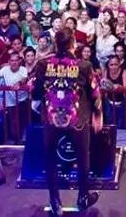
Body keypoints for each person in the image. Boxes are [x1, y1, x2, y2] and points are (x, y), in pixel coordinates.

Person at [34, 27, 100, 215]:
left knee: (50, 158)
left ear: (56, 44)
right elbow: (95, 92)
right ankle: (83, 197)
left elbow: (36, 91)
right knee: (82, 157)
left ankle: (55, 200)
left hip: (51, 119)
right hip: (76, 120)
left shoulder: (42, 64)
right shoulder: (84, 65)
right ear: (72, 44)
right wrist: (98, 114)